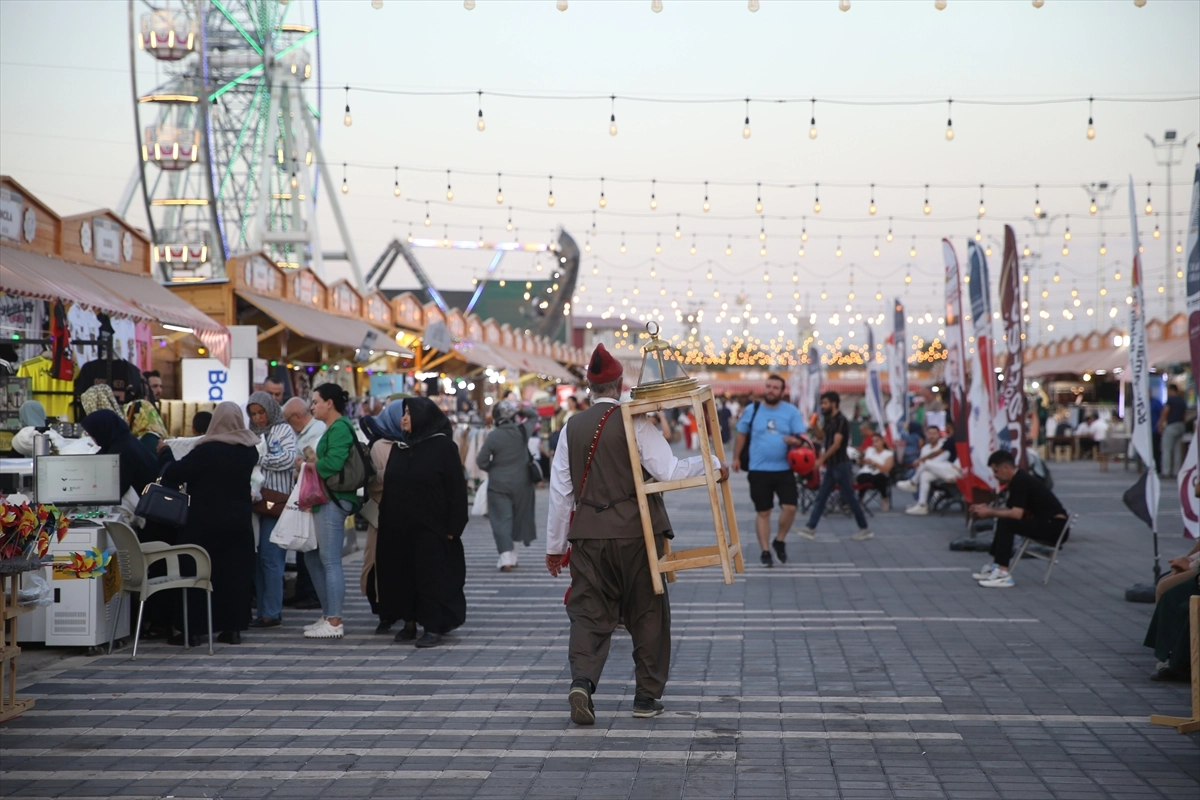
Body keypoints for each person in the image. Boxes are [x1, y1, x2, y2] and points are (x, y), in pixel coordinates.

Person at [546, 344, 727, 725]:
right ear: (620, 383)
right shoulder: (636, 422)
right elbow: (670, 471)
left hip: (588, 537)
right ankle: (645, 697)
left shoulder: (570, 428)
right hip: (636, 533)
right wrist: (713, 464)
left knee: (589, 613)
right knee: (647, 611)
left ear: (590, 387)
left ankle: (582, 681)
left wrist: (554, 547)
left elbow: (561, 494)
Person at [157, 401, 260, 644]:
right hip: (239, 522)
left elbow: (175, 473)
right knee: (233, 575)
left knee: (197, 572)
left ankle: (193, 630)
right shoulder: (249, 450)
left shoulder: (206, 450)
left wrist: (164, 454)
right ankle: (232, 629)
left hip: (204, 522)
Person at [376, 397, 469, 647]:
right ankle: (409, 622)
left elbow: (457, 490)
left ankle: (433, 626)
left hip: (432, 528)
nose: (403, 418)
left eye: (409, 413)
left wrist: (454, 526)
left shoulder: (443, 447)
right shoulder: (401, 446)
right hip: (398, 527)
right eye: (403, 413)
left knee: (431, 576)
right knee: (403, 574)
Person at [300, 384, 361, 640]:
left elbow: (334, 463)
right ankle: (328, 615)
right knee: (313, 558)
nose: (312, 406)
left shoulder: (340, 428)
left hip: (334, 500)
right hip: (327, 499)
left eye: (315, 402)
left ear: (330, 403)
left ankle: (334, 620)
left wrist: (307, 465)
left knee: (330, 560)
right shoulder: (333, 428)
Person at [731, 374, 807, 566]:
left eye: (775, 388)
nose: (771, 390)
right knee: (763, 511)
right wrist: (736, 458)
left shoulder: (791, 412)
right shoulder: (752, 410)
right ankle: (765, 551)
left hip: (784, 468)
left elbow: (801, 437)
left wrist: (795, 441)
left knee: (790, 507)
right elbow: (741, 434)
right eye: (768, 386)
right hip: (758, 469)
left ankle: (779, 540)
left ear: (782, 391)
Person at [969, 449, 1069, 589]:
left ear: (1006, 468)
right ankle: (996, 565)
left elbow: (1015, 514)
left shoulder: (1020, 481)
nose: (995, 476)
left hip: (1054, 527)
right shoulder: (1018, 479)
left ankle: (1003, 573)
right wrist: (988, 508)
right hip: (1048, 523)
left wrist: (990, 512)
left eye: (996, 471)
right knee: (1003, 520)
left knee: (1007, 523)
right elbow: (1009, 510)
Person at [246, 391, 298, 630]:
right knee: (257, 559)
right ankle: (264, 610)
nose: (258, 418)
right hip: (255, 505)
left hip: (275, 505)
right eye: (253, 414)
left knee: (270, 558)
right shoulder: (249, 434)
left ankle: (271, 612)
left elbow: (288, 459)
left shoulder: (283, 430)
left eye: (261, 412)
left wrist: (258, 459)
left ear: (271, 410)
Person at [799, 391, 873, 541]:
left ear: (834, 403)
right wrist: (814, 426)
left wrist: (821, 460)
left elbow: (836, 444)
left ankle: (864, 528)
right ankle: (810, 528)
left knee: (849, 496)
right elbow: (822, 437)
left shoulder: (841, 421)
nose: (822, 406)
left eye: (825, 403)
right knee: (821, 496)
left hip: (840, 464)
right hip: (832, 465)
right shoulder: (829, 420)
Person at [361, 399, 406, 634]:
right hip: (383, 514)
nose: (406, 418)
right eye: (403, 414)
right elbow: (374, 481)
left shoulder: (411, 442)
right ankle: (383, 611)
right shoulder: (380, 445)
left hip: (405, 513)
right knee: (377, 563)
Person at [476, 400, 538, 571]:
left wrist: (493, 469)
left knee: (501, 520)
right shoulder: (522, 430)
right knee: (519, 518)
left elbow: (481, 461)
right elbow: (534, 416)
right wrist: (522, 409)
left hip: (498, 484)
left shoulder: (493, 436)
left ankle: (505, 558)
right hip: (522, 483)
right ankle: (514, 555)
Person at [281, 396, 324, 611]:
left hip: (314, 498)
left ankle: (312, 593)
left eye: (288, 420)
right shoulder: (306, 432)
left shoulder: (316, 432)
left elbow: (314, 463)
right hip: (306, 497)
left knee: (310, 546)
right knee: (303, 545)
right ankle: (304, 591)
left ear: (297, 416)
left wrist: (301, 465)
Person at [81, 409, 158, 506]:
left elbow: (115, 491)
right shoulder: (124, 439)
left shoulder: (122, 452)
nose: (92, 438)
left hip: (147, 506)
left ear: (102, 431)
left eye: (93, 435)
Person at [896, 425, 961, 516]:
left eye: (934, 433)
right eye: (930, 433)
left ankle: (913, 482)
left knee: (926, 464)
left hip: (955, 470)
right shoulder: (926, 447)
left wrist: (920, 460)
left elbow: (937, 454)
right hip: (945, 469)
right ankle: (922, 505)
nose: (932, 436)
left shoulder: (949, 441)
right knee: (925, 475)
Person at [856, 432, 894, 511]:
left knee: (880, 478)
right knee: (862, 477)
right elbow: (860, 462)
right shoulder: (869, 450)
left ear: (882, 441)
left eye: (877, 441)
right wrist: (862, 461)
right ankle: (860, 499)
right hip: (867, 472)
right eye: (873, 441)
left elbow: (887, 469)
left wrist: (874, 463)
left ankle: (884, 500)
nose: (874, 443)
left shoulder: (888, 454)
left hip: (880, 473)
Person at [1159, 383, 1188, 478]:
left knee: (1166, 449)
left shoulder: (1171, 400)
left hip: (1171, 426)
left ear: (1171, 390)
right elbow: (1185, 415)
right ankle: (1177, 471)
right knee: (1178, 451)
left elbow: (1165, 412)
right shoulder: (1182, 401)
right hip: (1180, 425)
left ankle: (1166, 471)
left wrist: (1160, 424)